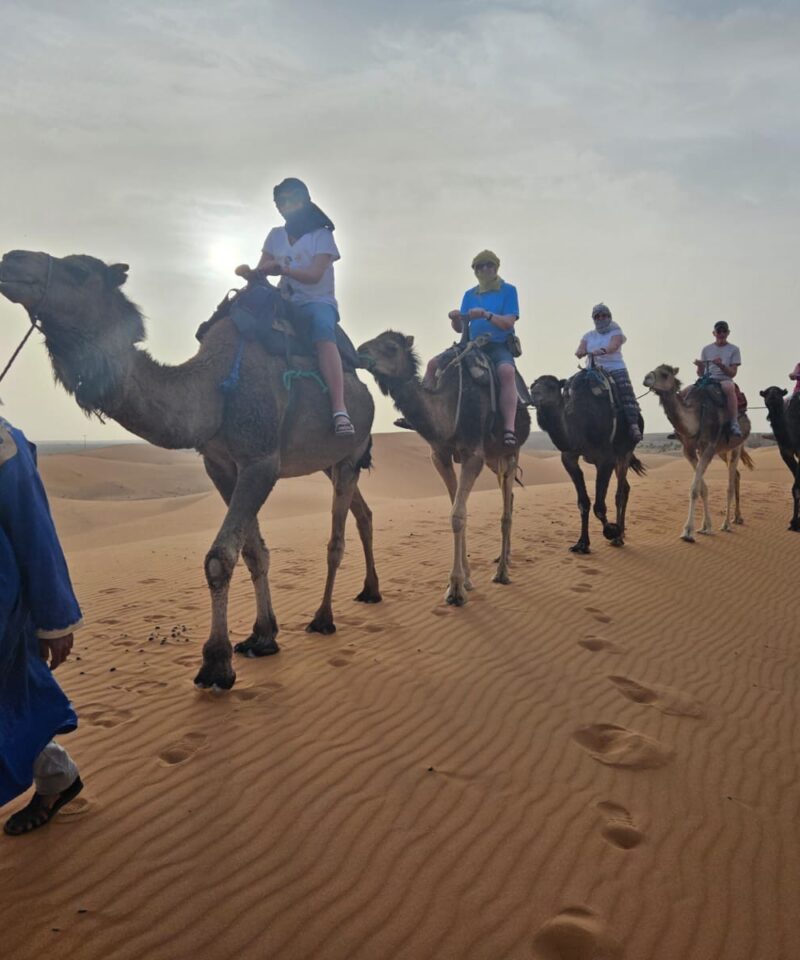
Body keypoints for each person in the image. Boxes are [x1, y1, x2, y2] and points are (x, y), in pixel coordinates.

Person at [1, 416, 84, 836]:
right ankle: (56, 776)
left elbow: (35, 532)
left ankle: (55, 780)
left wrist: (55, 620)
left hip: (3, 610)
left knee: (15, 697)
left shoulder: (4, 445)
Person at [236, 177, 355, 437]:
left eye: (290, 199)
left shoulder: (321, 236)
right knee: (239, 313)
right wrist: (251, 274)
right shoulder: (275, 235)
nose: (284, 205)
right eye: (280, 201)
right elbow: (262, 270)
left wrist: (284, 269)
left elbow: (314, 275)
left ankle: (339, 409)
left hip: (316, 302)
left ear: (304, 201)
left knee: (323, 331)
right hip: (284, 300)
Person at [422, 250, 521, 447]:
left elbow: (508, 323)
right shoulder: (469, 294)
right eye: (479, 266)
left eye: (488, 265)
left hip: (497, 345)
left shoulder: (508, 290)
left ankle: (509, 428)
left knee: (507, 372)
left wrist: (486, 315)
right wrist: (455, 319)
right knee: (433, 365)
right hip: (469, 345)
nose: (484, 269)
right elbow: (460, 328)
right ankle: (425, 415)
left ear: (496, 267)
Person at [575, 303, 643, 443]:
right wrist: (580, 352)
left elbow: (614, 346)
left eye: (604, 315)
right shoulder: (588, 335)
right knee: (573, 386)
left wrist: (603, 350)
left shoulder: (616, 331)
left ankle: (633, 425)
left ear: (609, 316)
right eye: (597, 316)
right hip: (592, 368)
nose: (601, 318)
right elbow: (580, 349)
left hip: (614, 367)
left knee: (625, 391)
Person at [694, 321, 742, 437]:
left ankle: (734, 423)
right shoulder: (706, 349)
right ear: (714, 333)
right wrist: (700, 366)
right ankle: (683, 425)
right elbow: (701, 374)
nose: (721, 333)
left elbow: (733, 373)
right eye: (719, 331)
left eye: (724, 331)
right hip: (708, 379)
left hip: (724, 379)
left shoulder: (734, 349)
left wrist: (721, 365)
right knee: (687, 391)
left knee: (729, 388)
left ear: (728, 333)